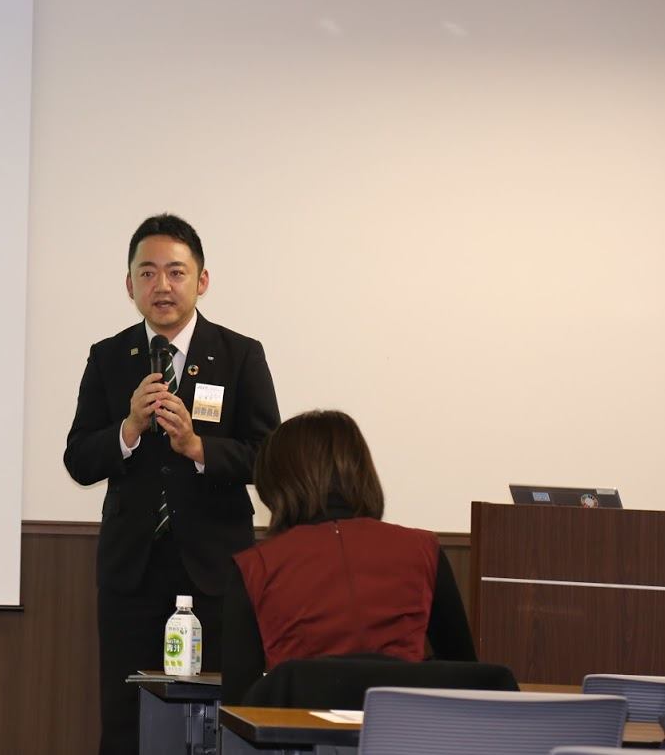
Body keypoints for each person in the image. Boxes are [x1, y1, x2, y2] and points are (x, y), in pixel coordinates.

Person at [64, 213, 279, 755]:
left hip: (214, 569)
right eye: (148, 272)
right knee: (124, 718)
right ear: (129, 284)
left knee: (219, 718)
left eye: (176, 272)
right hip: (131, 570)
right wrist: (128, 429)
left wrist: (199, 448)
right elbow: (79, 459)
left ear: (201, 280)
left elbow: (269, 456)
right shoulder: (108, 357)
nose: (162, 285)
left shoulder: (240, 354)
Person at [221, 409, 477, 704]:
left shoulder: (256, 567)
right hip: (403, 727)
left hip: (299, 729)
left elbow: (238, 706)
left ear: (276, 483)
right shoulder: (423, 550)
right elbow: (467, 676)